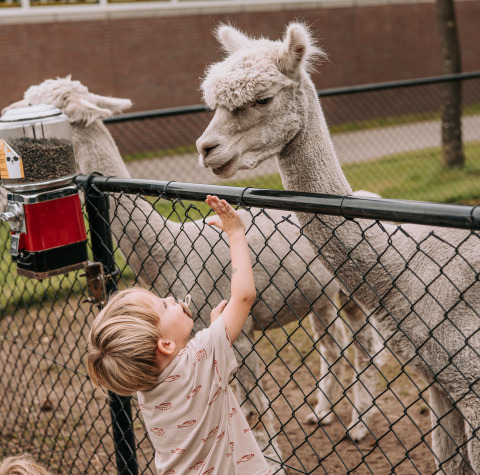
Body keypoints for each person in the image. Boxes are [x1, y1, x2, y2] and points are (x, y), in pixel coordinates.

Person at [87, 195, 271, 475]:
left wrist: (214, 331)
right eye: (163, 305)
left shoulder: (146, 387)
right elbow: (244, 296)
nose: (171, 299)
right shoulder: (204, 354)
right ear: (165, 344)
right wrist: (235, 232)